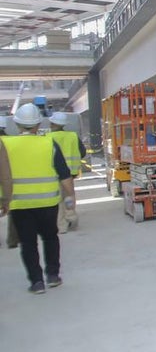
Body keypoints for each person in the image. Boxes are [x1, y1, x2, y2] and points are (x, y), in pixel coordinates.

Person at [0, 103, 76, 294]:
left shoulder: (6, 145)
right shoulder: (49, 143)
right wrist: (70, 197)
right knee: (51, 238)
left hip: (19, 204)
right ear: (37, 125)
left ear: (16, 124)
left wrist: (4, 200)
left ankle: (36, 282)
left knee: (27, 243)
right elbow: (64, 175)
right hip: (48, 203)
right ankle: (53, 276)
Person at [47, 112, 84, 232]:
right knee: (69, 195)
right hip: (71, 172)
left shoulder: (47, 137)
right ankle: (71, 216)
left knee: (58, 199)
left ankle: (61, 226)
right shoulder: (73, 136)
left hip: (54, 173)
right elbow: (82, 152)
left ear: (52, 124)